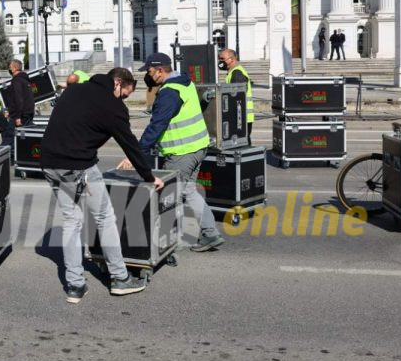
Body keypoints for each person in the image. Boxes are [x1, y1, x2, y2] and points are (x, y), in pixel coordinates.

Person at [41, 67, 163, 303]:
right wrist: (149, 177)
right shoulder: (113, 107)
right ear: (118, 82)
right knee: (105, 218)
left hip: (49, 163)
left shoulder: (74, 90)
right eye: (125, 94)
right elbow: (130, 145)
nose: (123, 99)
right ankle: (120, 278)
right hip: (79, 166)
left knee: (71, 221)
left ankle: (75, 286)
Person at [122, 53, 224, 253]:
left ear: (160, 71)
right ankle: (210, 233)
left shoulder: (169, 93)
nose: (148, 76)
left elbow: (156, 126)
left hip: (181, 153)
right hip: (198, 147)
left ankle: (165, 246)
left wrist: (136, 155)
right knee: (187, 190)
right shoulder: (185, 82)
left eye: (150, 72)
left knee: (166, 196)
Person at [219, 48, 255, 145]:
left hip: (241, 117)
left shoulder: (237, 73)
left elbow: (236, 98)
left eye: (222, 58)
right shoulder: (233, 72)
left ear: (231, 59)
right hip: (241, 116)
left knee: (242, 144)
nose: (220, 61)